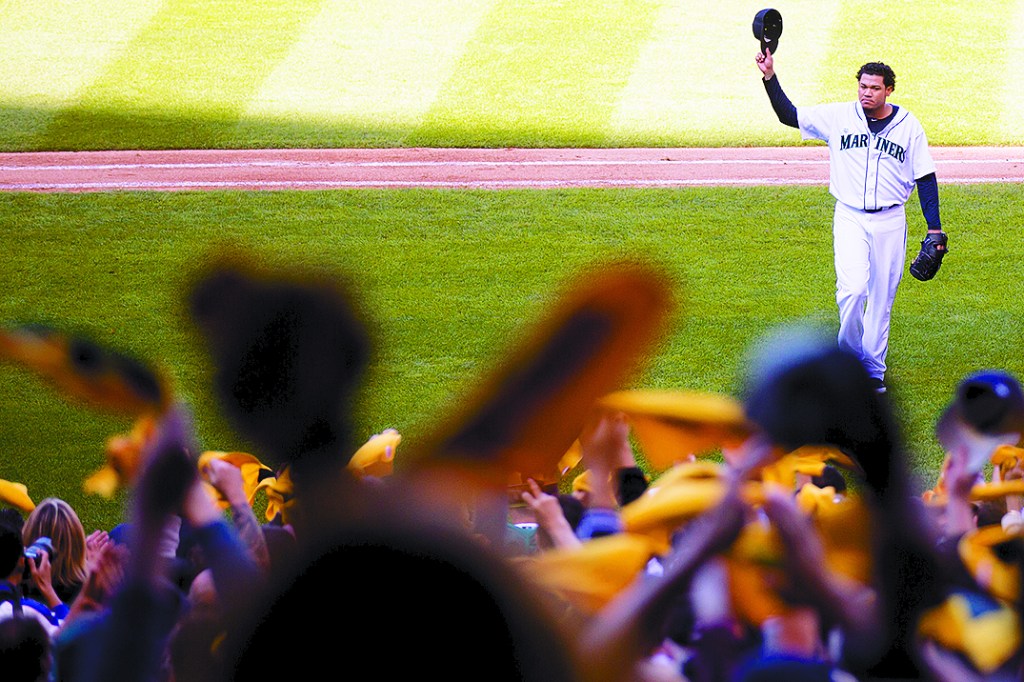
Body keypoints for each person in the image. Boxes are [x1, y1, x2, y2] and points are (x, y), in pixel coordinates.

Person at [755, 50, 948, 393]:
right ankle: (848, 365)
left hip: (890, 220)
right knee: (853, 289)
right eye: (862, 86)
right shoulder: (839, 117)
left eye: (874, 88)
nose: (866, 93)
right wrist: (770, 76)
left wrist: (934, 227)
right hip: (849, 217)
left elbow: (925, 177)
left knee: (881, 299)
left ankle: (873, 372)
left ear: (889, 90)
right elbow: (789, 115)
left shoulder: (909, 126)